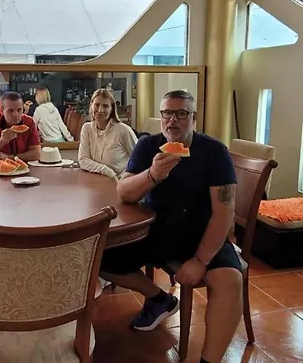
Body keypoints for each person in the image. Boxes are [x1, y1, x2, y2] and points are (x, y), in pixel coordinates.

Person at [100, 90, 242, 363]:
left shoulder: (214, 152)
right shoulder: (147, 146)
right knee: (99, 255)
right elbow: (124, 192)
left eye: (181, 113)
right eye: (167, 113)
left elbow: (224, 212)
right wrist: (153, 174)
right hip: (156, 229)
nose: (172, 120)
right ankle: (159, 298)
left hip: (202, 231)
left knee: (230, 281)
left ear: (194, 117)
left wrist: (200, 260)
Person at [78, 89, 138, 181]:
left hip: (119, 183)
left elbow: (140, 159)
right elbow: (83, 160)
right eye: (97, 105)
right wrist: (108, 172)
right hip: (94, 182)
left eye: (105, 106)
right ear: (91, 106)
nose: (100, 110)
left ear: (112, 109)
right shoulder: (87, 128)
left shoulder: (123, 130)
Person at [0, 91, 41, 163]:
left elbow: (36, 154)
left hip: (23, 168)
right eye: (10, 111)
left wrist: (10, 157)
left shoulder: (29, 122)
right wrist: (2, 141)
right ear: (2, 111)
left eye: (19, 110)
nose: (15, 115)